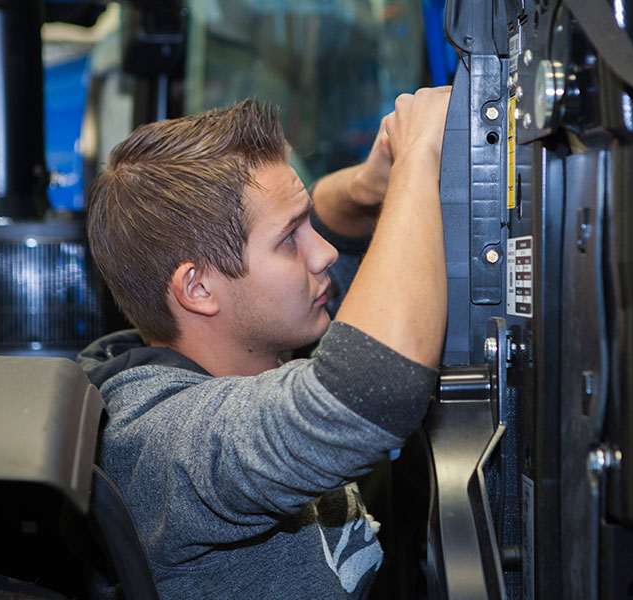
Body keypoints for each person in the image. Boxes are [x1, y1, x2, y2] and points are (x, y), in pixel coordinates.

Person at [77, 86, 451, 599]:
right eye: (288, 239)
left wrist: (371, 183)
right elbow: (372, 388)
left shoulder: (249, 336)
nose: (321, 253)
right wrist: (419, 157)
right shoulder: (163, 439)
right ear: (199, 289)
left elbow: (331, 227)